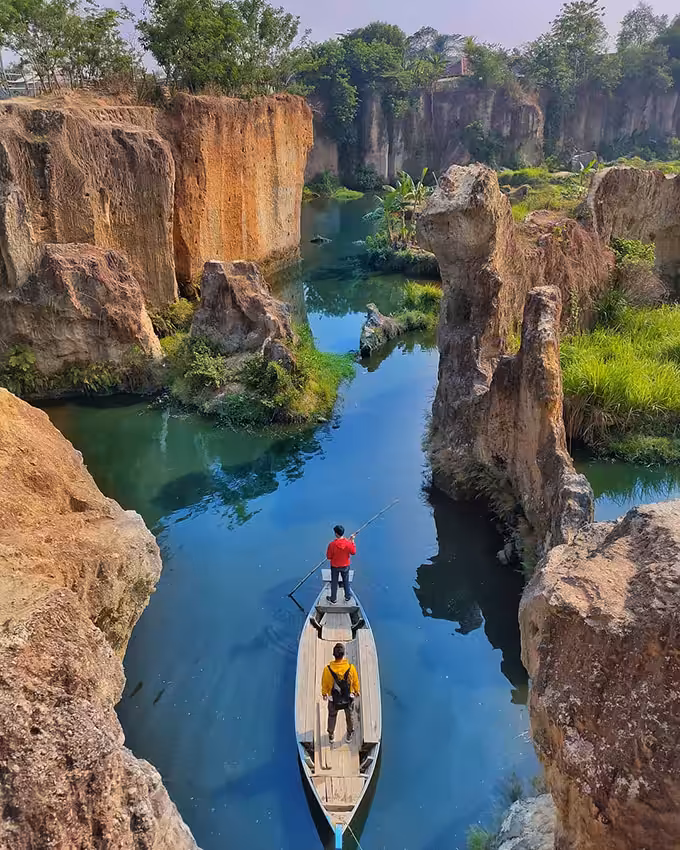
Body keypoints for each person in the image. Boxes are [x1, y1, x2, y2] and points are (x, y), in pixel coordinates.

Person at [321, 642, 360, 743]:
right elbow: (355, 681)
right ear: (343, 655)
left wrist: (324, 693)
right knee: (349, 716)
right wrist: (356, 691)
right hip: (348, 699)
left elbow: (324, 684)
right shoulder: (351, 668)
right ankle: (349, 735)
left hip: (333, 700)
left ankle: (331, 735)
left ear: (334, 655)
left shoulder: (327, 670)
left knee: (332, 716)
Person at [326, 524, 356, 604]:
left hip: (335, 566)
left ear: (336, 533)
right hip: (345, 566)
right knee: (346, 581)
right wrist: (352, 541)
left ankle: (333, 599)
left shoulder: (332, 544)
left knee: (334, 582)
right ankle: (347, 597)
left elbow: (329, 557)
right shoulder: (348, 543)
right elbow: (353, 552)